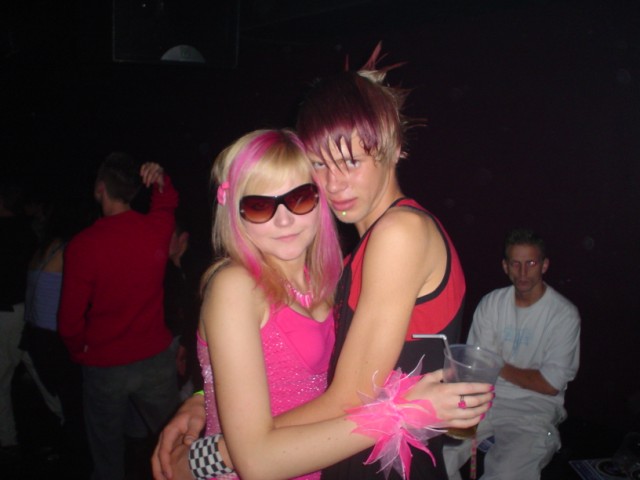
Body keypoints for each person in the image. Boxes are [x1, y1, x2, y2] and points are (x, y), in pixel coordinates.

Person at [152, 45, 494, 480]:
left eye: (350, 161)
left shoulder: (399, 233)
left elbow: (346, 398)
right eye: (319, 166)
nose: (335, 185)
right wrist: (207, 397)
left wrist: (215, 453)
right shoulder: (351, 259)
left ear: (393, 148)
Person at [58, 153, 181, 480]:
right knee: (176, 444)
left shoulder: (83, 245)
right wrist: (161, 180)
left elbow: (69, 321)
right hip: (154, 359)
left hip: (105, 365)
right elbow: (167, 203)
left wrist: (80, 351)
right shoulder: (155, 229)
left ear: (100, 188)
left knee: (107, 452)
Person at [442, 228, 581, 480]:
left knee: (508, 472)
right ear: (506, 267)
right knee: (436, 454)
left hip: (532, 409)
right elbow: (476, 367)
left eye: (531, 263)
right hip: (484, 401)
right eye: (516, 264)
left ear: (544, 265)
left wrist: (494, 364)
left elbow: (549, 385)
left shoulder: (564, 315)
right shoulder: (491, 304)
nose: (523, 272)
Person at [22, 197, 94, 462]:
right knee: (72, 398)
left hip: (36, 333)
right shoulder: (68, 249)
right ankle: (76, 454)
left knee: (60, 398)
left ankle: (65, 445)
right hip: (51, 337)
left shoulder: (47, 247)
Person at [0, 179, 60, 463]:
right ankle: (68, 420)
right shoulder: (28, 231)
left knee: (3, 379)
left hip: (7, 314)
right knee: (40, 373)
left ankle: (7, 441)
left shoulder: (16, 231)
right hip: (28, 312)